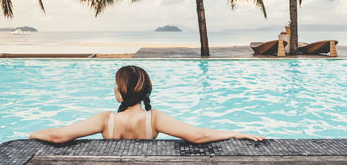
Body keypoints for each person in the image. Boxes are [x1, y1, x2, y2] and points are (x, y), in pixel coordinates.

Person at [29, 65, 265, 143]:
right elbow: (199, 135)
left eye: (116, 85)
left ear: (121, 92)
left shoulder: (105, 120)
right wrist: (237, 133)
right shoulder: (154, 119)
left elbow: (57, 136)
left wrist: (31, 135)